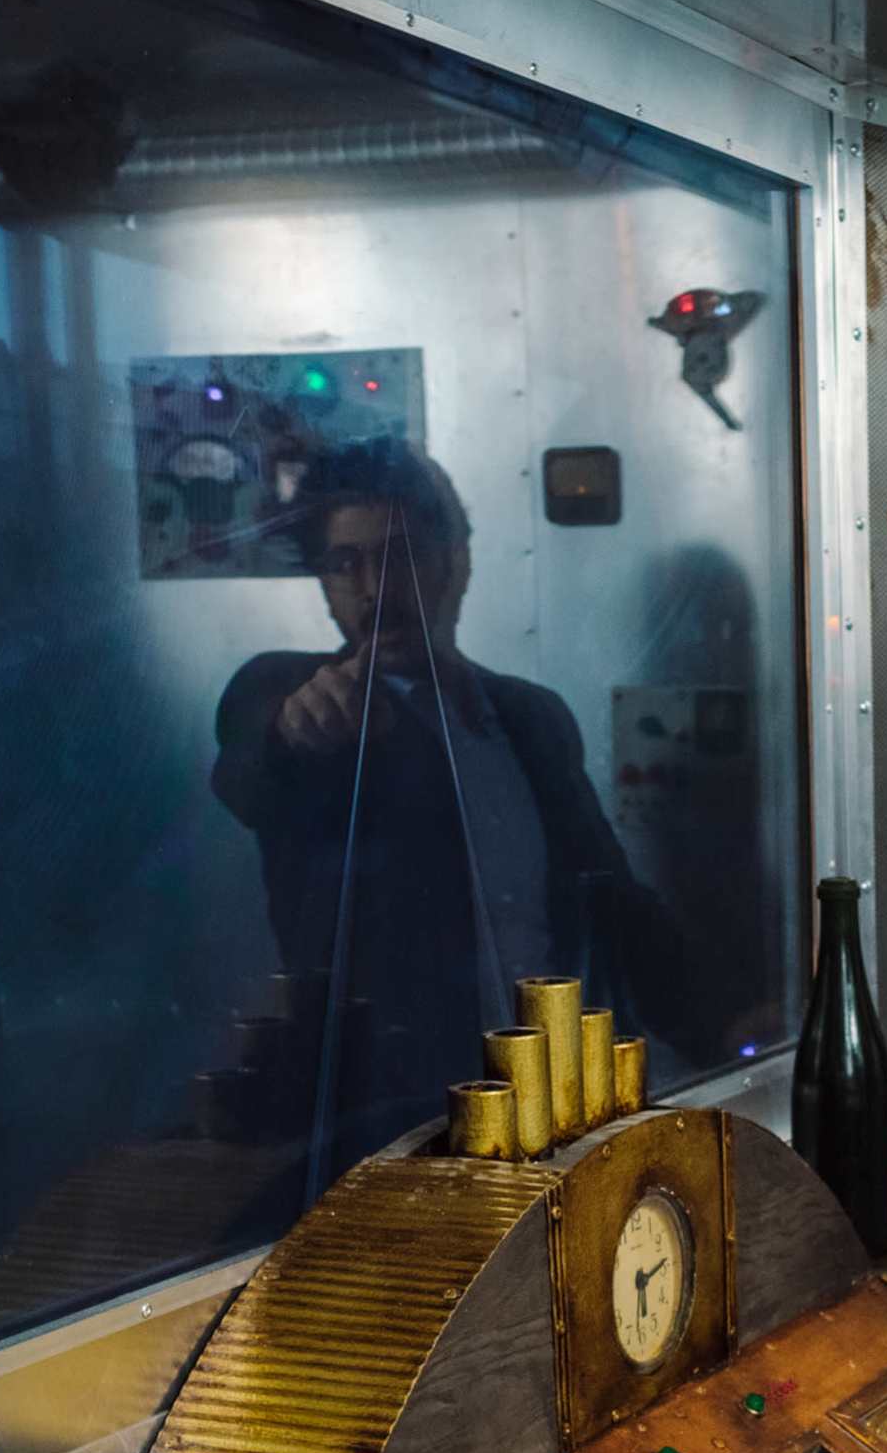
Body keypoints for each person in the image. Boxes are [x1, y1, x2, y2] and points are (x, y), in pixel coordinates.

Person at [210, 439, 690, 1172]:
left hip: (551, 1115)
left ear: (453, 559)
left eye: (397, 555)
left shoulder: (529, 718)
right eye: (344, 564)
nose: (373, 588)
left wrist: (734, 1017)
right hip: (393, 1136)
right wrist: (294, 728)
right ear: (324, 585)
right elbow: (255, 754)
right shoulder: (295, 690)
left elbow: (612, 901)